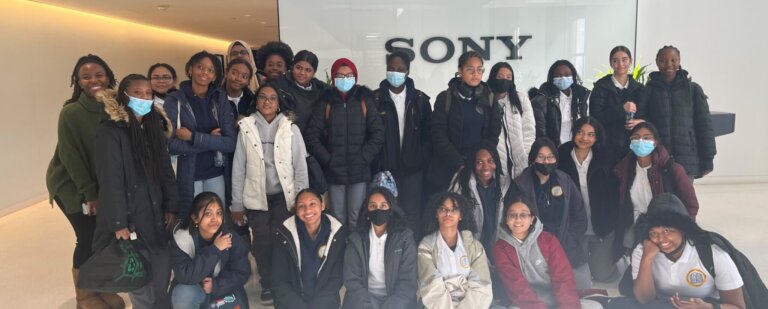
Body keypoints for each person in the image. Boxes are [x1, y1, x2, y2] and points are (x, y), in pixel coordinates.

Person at [92, 74, 179, 308]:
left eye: (148, 94)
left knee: (161, 266)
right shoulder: (111, 131)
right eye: (138, 93)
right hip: (131, 216)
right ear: (124, 96)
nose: (144, 98)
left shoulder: (153, 126)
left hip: (156, 210)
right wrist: (119, 222)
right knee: (139, 273)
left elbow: (165, 170)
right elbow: (110, 181)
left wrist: (171, 205)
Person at [45, 54, 125, 309]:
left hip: (101, 185)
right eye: (86, 77)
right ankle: (85, 296)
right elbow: (71, 157)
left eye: (99, 75)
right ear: (78, 82)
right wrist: (90, 194)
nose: (94, 81)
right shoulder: (71, 113)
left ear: (109, 77)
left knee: (103, 238)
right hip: (72, 186)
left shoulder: (115, 108)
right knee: (88, 237)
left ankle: (100, 288)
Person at [230, 84, 309, 304]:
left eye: (272, 98)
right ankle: (267, 283)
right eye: (263, 97)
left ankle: (283, 282)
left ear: (278, 103)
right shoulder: (246, 127)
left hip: (285, 198)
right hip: (257, 198)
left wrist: (301, 199)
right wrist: (237, 204)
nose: (267, 101)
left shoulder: (290, 128)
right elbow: (239, 168)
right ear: (256, 101)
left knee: (282, 240)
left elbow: (300, 166)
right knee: (262, 243)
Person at [608, 194, 745, 309]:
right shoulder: (643, 249)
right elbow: (644, 299)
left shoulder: (713, 254)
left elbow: (737, 306)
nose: (661, 239)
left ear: (683, 230)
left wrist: (707, 307)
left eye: (667, 230)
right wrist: (647, 259)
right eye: (653, 232)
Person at [305, 58, 384, 230]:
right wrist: (328, 160)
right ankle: (338, 254)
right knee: (337, 218)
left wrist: (364, 158)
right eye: (340, 75)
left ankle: (355, 254)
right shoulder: (325, 102)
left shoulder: (365, 101)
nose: (344, 79)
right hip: (335, 172)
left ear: (355, 77)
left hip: (359, 170)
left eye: (349, 75)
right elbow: (312, 136)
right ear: (333, 78)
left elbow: (378, 134)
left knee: (357, 216)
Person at [494, 195, 603, 309]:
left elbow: (563, 278)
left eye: (524, 215)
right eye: (512, 215)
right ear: (506, 219)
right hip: (526, 304)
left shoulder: (548, 240)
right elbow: (516, 287)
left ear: (532, 219)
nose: (518, 219)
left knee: (595, 307)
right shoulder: (501, 248)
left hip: (556, 298)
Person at [164, 51, 237, 219]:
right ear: (190, 70)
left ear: (215, 76)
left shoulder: (220, 99)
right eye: (200, 67)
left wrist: (193, 137)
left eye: (211, 70)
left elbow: (229, 143)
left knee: (215, 222)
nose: (205, 72)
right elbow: (170, 145)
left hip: (216, 172)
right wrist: (211, 141)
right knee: (191, 222)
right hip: (188, 174)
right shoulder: (174, 100)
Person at [514, 137, 591, 290]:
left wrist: (570, 238)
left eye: (550, 157)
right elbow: (517, 222)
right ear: (532, 159)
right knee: (546, 291)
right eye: (541, 157)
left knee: (582, 287)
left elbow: (579, 213)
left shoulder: (564, 179)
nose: (546, 161)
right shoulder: (521, 184)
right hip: (536, 247)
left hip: (566, 244)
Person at [613, 122, 699, 253]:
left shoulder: (672, 169)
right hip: (635, 229)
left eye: (646, 138)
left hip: (664, 232)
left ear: (655, 142)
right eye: (635, 137)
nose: (640, 141)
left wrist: (680, 232)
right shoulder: (623, 169)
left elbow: (691, 205)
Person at [372, 51, 432, 237]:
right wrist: (378, 162)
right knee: (387, 212)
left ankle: (410, 253)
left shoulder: (420, 100)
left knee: (412, 213)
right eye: (391, 69)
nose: (395, 73)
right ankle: (391, 253)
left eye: (400, 69)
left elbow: (428, 136)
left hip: (413, 169)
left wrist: (419, 158)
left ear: (408, 71)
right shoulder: (374, 99)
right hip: (385, 170)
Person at [426, 51, 502, 198]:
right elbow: (438, 135)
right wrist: (458, 163)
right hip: (448, 167)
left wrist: (479, 161)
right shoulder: (445, 98)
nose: (475, 74)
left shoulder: (490, 98)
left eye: (479, 70)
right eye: (470, 69)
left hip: (478, 167)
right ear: (460, 71)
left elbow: (494, 132)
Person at [558, 117, 622, 283]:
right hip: (575, 226)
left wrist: (611, 220)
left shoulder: (606, 155)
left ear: (597, 137)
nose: (584, 138)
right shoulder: (562, 153)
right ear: (574, 133)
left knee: (603, 275)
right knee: (577, 277)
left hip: (601, 225)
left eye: (590, 134)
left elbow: (616, 193)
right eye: (580, 132)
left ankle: (614, 261)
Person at [641, 45, 716, 179]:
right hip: (658, 159)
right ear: (657, 62)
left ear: (679, 61)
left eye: (673, 60)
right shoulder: (648, 91)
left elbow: (705, 126)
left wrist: (708, 158)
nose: (668, 64)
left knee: (685, 200)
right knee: (660, 199)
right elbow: (642, 125)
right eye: (663, 60)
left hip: (687, 161)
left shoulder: (693, 90)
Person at [170, 192, 251, 309]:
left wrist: (216, 286)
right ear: (195, 218)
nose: (215, 219)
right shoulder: (182, 239)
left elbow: (242, 272)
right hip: (196, 290)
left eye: (219, 213)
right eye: (208, 214)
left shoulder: (230, 237)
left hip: (223, 289)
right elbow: (185, 275)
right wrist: (215, 249)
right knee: (183, 295)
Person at [342, 187, 418, 309]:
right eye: (373, 206)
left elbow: (408, 282)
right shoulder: (355, 239)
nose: (378, 210)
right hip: (363, 301)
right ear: (367, 210)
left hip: (397, 302)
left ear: (391, 209)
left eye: (383, 206)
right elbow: (352, 281)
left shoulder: (405, 238)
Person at [272, 189, 347, 309]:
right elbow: (279, 280)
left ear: (322, 205)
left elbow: (336, 278)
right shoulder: (283, 234)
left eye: (313, 204)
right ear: (296, 210)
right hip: (292, 303)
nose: (308, 210)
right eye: (301, 206)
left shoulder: (337, 233)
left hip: (325, 302)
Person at [418, 192, 493, 308]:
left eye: (454, 210)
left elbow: (482, 287)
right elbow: (431, 288)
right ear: (436, 214)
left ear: (461, 215)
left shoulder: (474, 247)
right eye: (443, 209)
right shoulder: (426, 246)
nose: (448, 213)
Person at [448, 141, 511, 254]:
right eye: (479, 162)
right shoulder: (462, 183)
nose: (486, 166)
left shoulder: (505, 185)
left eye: (490, 161)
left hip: (497, 249)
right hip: (467, 248)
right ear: (473, 164)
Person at [589, 46, 645, 161]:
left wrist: (642, 121)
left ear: (630, 61)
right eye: (615, 60)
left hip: (634, 147)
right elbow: (595, 118)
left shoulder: (640, 88)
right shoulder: (601, 87)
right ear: (611, 63)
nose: (620, 64)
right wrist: (621, 109)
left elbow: (648, 114)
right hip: (607, 146)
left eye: (624, 60)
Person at [487, 62, 536, 178]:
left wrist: (526, 153)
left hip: (521, 162)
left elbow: (529, 129)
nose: (504, 80)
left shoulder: (521, 99)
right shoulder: (485, 100)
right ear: (493, 78)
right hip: (495, 161)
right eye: (500, 77)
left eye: (508, 77)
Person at [531, 60, 590, 146]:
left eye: (567, 75)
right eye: (558, 76)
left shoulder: (582, 96)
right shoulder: (542, 100)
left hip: (578, 147)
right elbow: (540, 132)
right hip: (554, 149)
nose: (563, 78)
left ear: (573, 76)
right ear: (552, 78)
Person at [273, 50, 329, 134]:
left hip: (313, 141)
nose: (302, 73)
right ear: (292, 67)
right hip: (287, 139)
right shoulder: (280, 86)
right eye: (298, 68)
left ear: (314, 73)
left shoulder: (321, 90)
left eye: (308, 70)